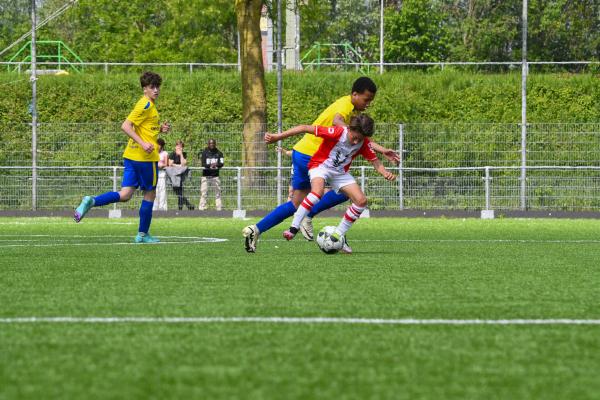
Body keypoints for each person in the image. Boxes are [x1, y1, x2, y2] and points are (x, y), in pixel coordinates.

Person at [242, 76, 400, 253]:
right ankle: (315, 220)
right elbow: (342, 127)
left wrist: (381, 150)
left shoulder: (349, 109)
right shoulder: (345, 106)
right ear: (355, 94)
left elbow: (357, 138)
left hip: (302, 151)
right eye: (366, 99)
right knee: (345, 194)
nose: (369, 103)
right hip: (315, 157)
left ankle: (255, 229)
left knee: (297, 203)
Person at [265, 115, 396, 250]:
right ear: (349, 129)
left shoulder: (364, 142)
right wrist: (277, 137)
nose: (356, 142)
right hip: (320, 166)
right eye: (354, 137)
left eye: (360, 139)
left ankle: (338, 235)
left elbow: (375, 162)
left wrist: (385, 173)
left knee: (361, 201)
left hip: (339, 172)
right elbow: (304, 128)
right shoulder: (338, 132)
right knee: (317, 193)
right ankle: (294, 227)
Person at [73, 71, 170, 243]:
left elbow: (143, 128)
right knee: (150, 194)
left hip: (131, 156)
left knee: (125, 194)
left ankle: (91, 201)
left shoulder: (149, 106)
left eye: (157, 87)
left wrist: (159, 129)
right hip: (145, 158)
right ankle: (142, 234)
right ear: (144, 89)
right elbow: (125, 126)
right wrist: (143, 143)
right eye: (151, 87)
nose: (156, 90)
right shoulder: (145, 104)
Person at [198, 138, 224, 211]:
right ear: (208, 144)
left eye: (213, 143)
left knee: (218, 192)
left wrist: (216, 165)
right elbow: (203, 164)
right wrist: (210, 165)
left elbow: (222, 163)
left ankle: (219, 208)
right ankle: (201, 208)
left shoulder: (219, 153)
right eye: (210, 143)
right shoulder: (204, 153)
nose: (212, 144)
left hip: (215, 176)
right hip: (205, 176)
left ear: (215, 144)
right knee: (204, 192)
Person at [169, 139, 194, 210]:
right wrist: (179, 166)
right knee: (179, 193)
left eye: (181, 147)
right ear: (175, 147)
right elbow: (170, 164)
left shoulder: (184, 154)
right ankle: (188, 205)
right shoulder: (172, 154)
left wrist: (181, 155)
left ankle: (181, 208)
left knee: (180, 192)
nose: (179, 148)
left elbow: (183, 163)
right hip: (173, 176)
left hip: (181, 176)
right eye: (178, 146)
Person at [153, 138, 169, 211]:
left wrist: (161, 166)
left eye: (159, 145)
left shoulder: (165, 153)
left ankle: (162, 208)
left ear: (162, 146)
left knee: (162, 190)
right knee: (154, 190)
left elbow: (166, 164)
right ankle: (154, 207)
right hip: (154, 173)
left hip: (162, 174)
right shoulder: (154, 153)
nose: (157, 146)